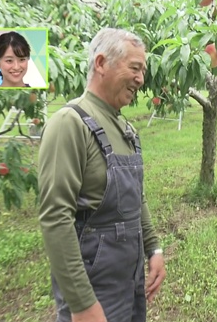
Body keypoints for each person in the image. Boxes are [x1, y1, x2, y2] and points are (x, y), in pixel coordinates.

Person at [38, 28, 166, 322]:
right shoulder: (70, 124)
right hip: (95, 289)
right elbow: (56, 217)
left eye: (143, 71)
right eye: (135, 68)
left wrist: (153, 248)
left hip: (129, 279)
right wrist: (82, 304)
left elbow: (137, 198)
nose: (141, 79)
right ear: (100, 63)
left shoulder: (126, 130)